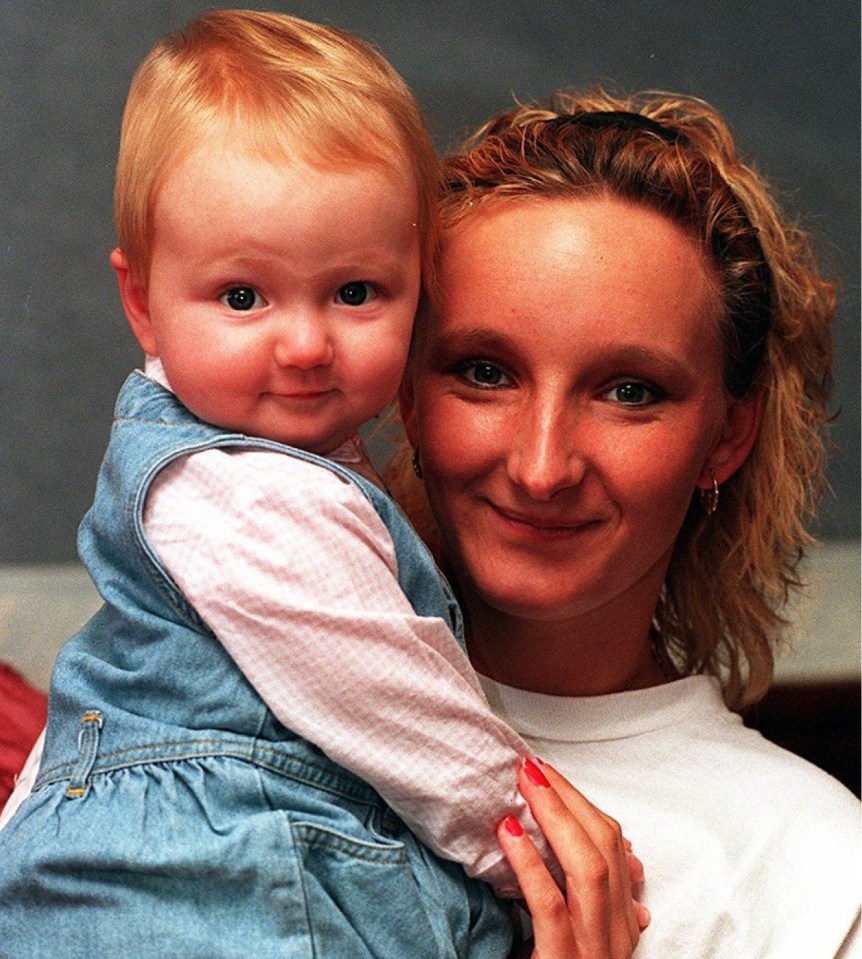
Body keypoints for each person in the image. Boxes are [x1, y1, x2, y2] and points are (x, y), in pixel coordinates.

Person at [0, 17, 646, 959]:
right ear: (142, 301)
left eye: (354, 293)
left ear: (419, 288)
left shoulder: (279, 468)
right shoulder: (233, 490)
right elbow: (385, 691)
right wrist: (539, 839)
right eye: (242, 297)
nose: (304, 345)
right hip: (203, 888)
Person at [394, 88, 861, 958]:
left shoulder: (816, 873)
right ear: (408, 395)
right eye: (486, 371)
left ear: (727, 433)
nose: (542, 466)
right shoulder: (205, 690)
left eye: (629, 391)